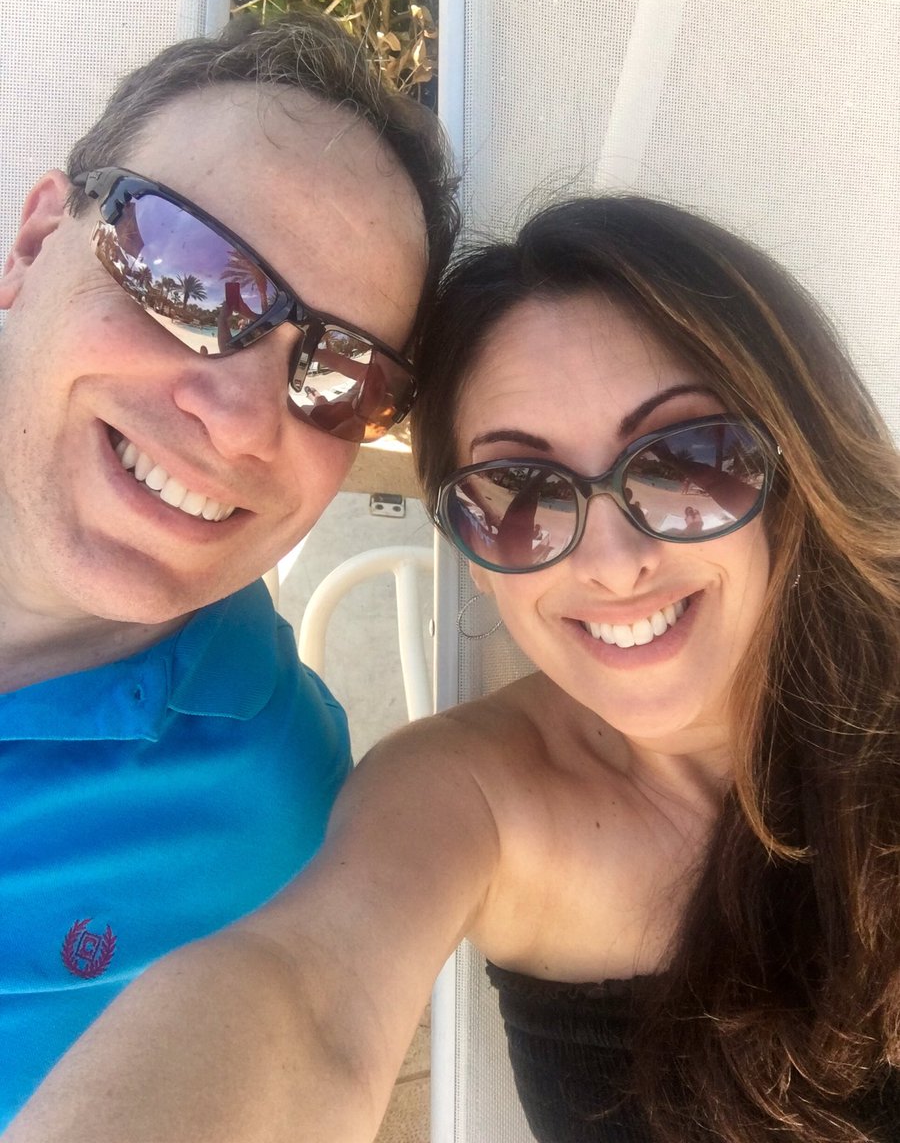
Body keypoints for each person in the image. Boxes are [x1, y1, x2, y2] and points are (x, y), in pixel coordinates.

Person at [5, 195, 898, 1143]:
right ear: (469, 546)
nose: (610, 563)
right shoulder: (471, 795)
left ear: (789, 466)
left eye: (685, 464)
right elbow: (308, 1000)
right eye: (519, 495)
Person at [0, 6, 457, 1130]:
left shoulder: (272, 816)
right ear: (33, 243)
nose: (245, 421)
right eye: (184, 273)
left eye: (344, 377)